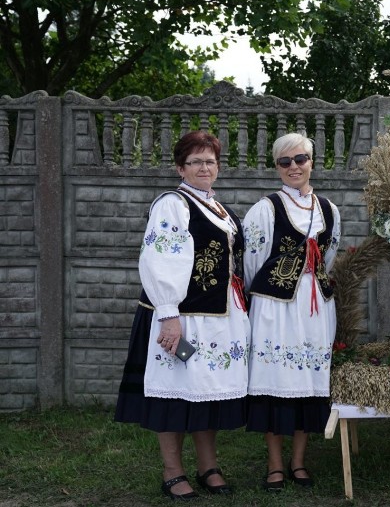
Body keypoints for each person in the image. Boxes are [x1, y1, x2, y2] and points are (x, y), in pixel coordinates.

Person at [115, 131, 251, 500]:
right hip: (181, 316)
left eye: (210, 161)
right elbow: (160, 259)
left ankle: (208, 466)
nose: (204, 167)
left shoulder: (218, 208)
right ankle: (172, 471)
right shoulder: (172, 204)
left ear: (218, 167)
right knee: (174, 396)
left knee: (206, 393)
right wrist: (169, 315)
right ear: (181, 167)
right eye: (195, 161)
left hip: (217, 319)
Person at [242, 133, 341, 491]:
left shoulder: (330, 209)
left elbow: (328, 257)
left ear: (312, 161)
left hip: (316, 307)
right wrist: (271, 291)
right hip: (275, 308)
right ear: (277, 167)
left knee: (309, 384)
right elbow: (252, 264)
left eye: (300, 159)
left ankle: (298, 462)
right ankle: (274, 465)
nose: (294, 167)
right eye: (285, 162)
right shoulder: (264, 209)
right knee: (276, 382)